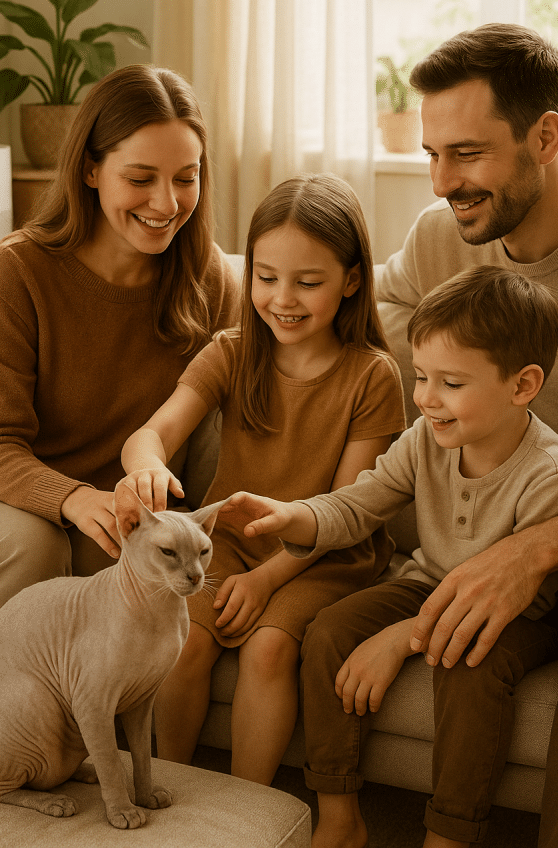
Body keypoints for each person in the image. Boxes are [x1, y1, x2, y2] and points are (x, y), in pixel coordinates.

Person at [224, 264, 558, 848]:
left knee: (468, 667)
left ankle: (449, 835)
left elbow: (529, 594)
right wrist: (296, 515)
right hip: (429, 582)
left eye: (451, 383)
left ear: (522, 386)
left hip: (519, 613)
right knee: (325, 633)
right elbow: (361, 503)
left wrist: (402, 639)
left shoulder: (551, 475)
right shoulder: (425, 437)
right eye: (420, 377)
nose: (426, 399)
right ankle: (340, 816)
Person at [0, 64, 239, 720]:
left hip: (105, 509)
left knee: (123, 569)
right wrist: (72, 498)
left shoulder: (208, 279)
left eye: (186, 177)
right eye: (140, 178)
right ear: (91, 170)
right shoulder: (19, 271)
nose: (166, 203)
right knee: (33, 546)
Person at [373, 24, 558, 848]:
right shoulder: (440, 241)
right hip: (467, 500)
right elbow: (379, 317)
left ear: (544, 137)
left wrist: (538, 547)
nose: (442, 182)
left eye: (466, 154)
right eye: (433, 154)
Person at [119, 173, 406, 786]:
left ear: (352, 280)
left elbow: (347, 508)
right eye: (266, 277)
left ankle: (246, 810)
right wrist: (146, 463)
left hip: (325, 552)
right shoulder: (229, 351)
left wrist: (266, 578)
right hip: (229, 543)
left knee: (269, 647)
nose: (283, 298)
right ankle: (167, 785)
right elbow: (152, 434)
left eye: (308, 282)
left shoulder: (373, 376)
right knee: (186, 640)